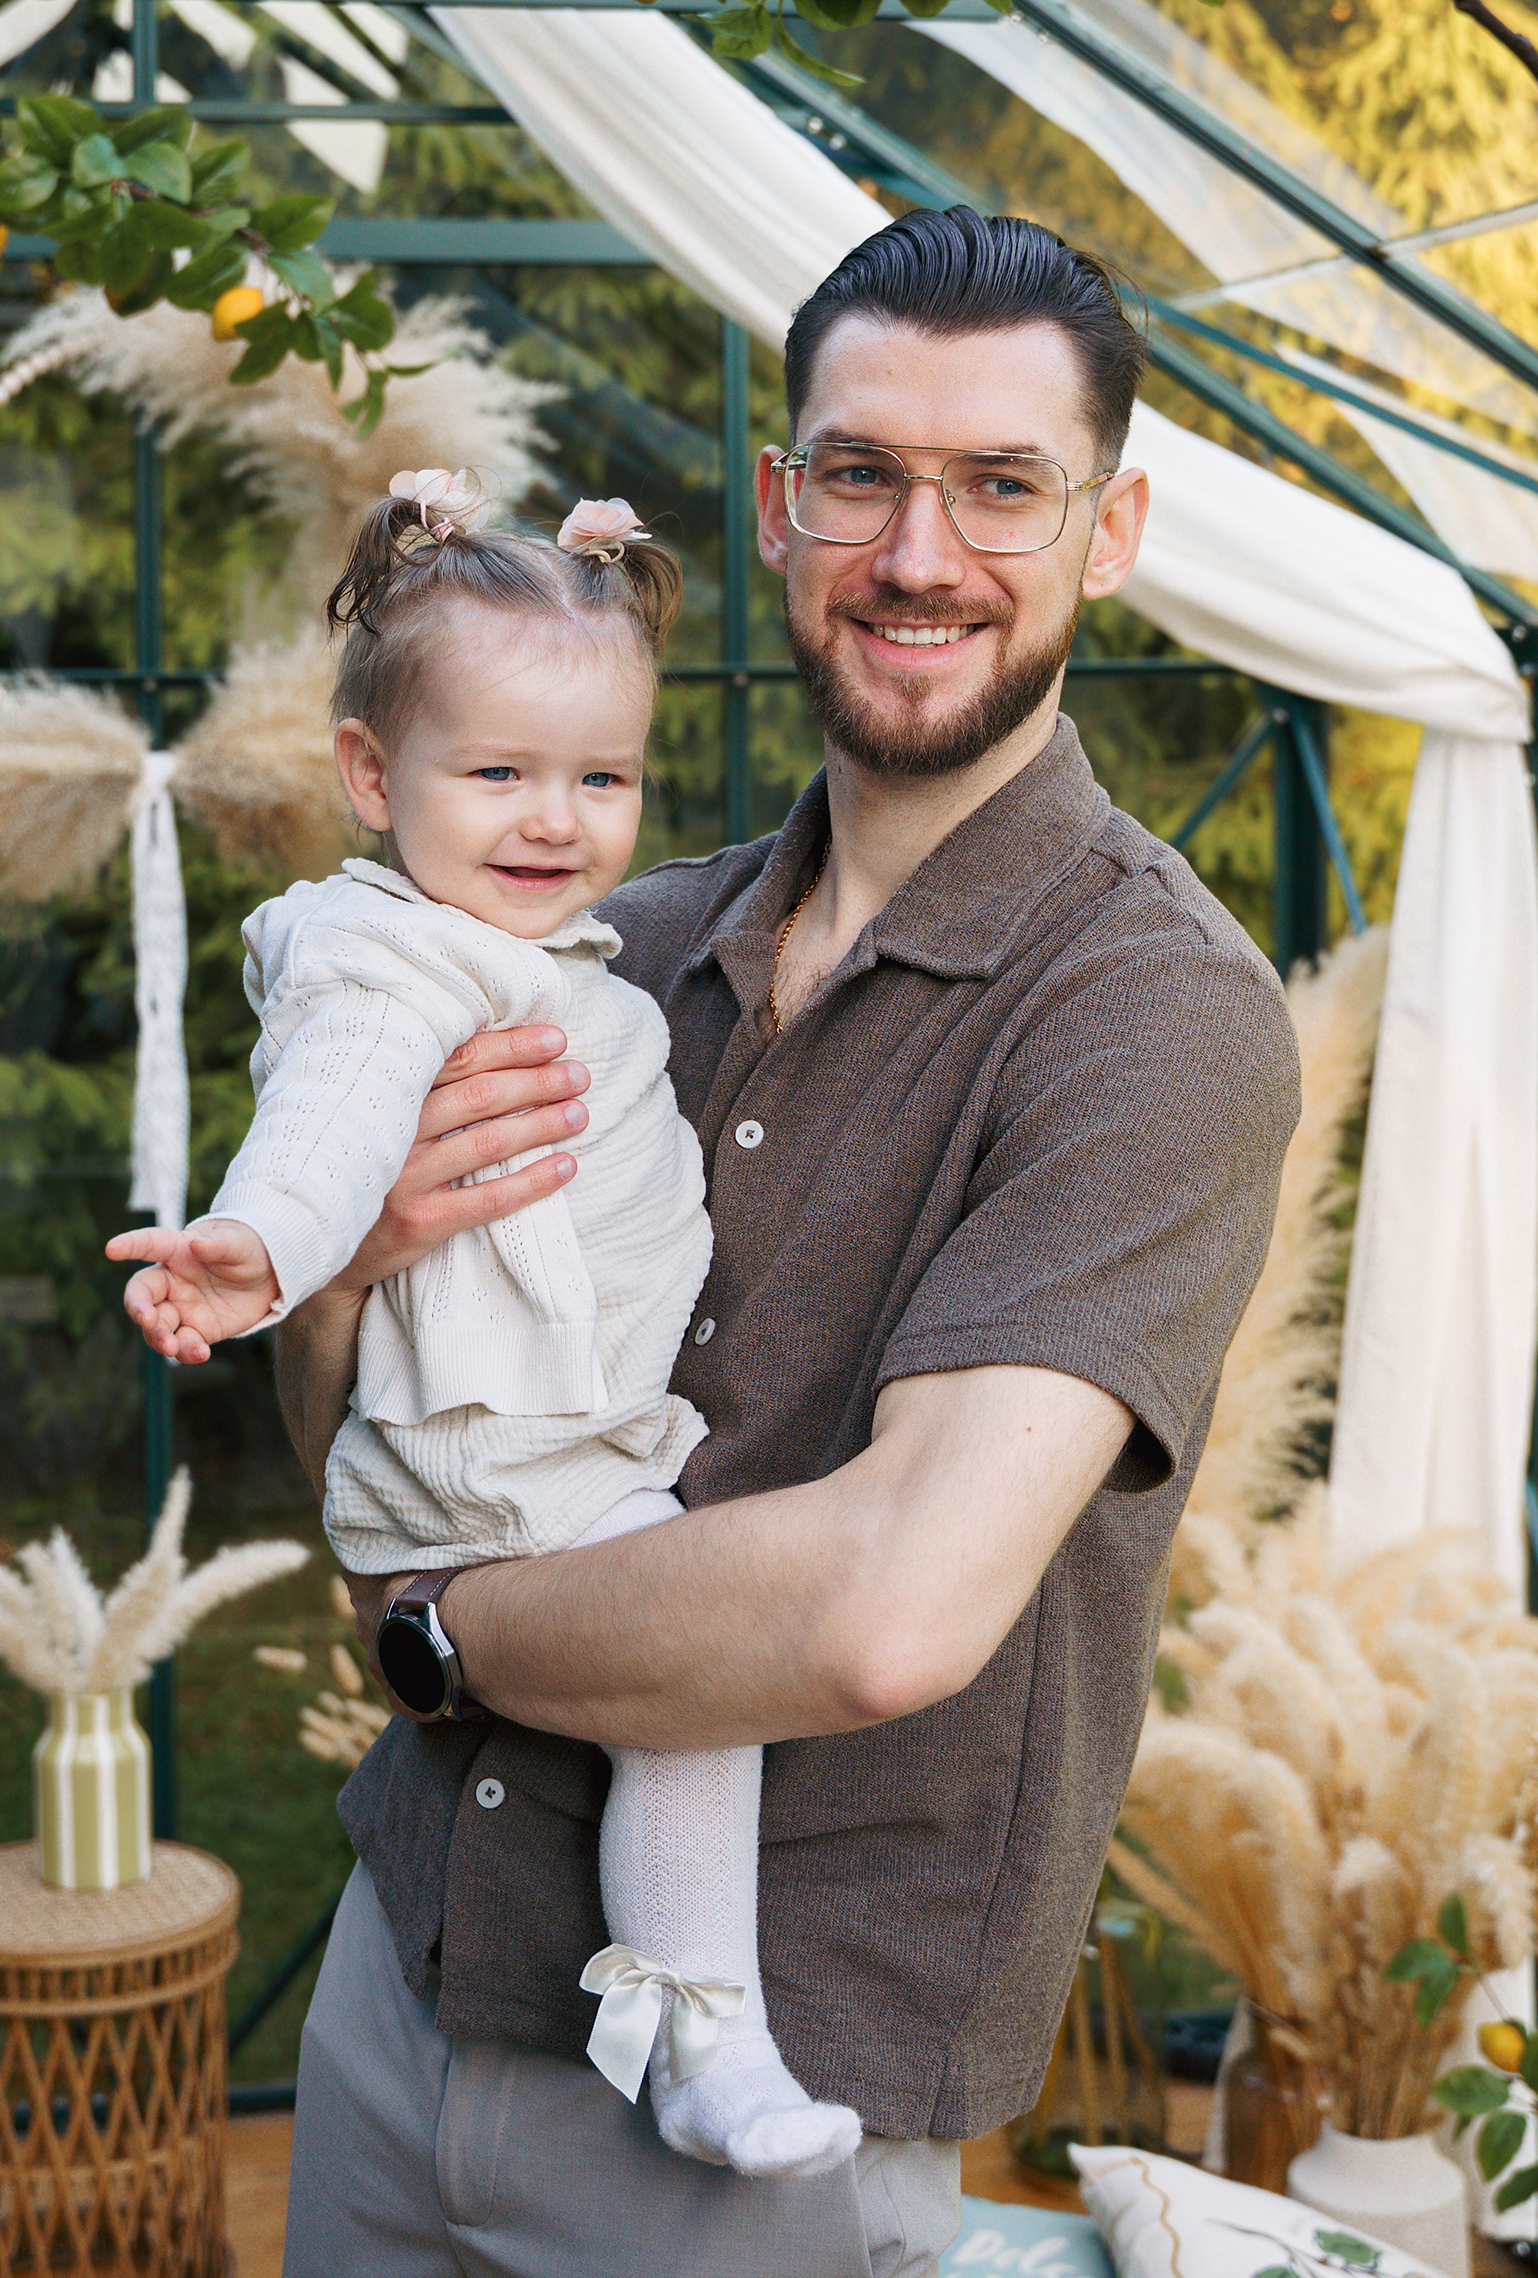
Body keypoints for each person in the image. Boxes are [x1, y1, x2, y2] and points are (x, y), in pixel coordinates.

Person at [235, 207, 1301, 2278]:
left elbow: (886, 1608)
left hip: (765, 2101)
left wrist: (434, 1629)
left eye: (1003, 485)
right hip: (407, 1975)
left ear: (1110, 530)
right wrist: (347, 1272)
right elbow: (350, 1446)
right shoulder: (598, 947)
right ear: (778, 504)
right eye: (863, 473)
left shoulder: (1151, 1014)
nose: (919, 552)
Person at [112, 470, 862, 2179]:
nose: (555, 820)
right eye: (500, 774)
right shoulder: (396, 961)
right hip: (503, 1451)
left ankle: (695, 2025)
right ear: (374, 778)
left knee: (684, 1695)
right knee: (705, 1677)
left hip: (548, 1433)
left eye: (601, 777)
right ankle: (702, 2030)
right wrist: (262, 1249)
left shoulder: (548, 950)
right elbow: (331, 1114)